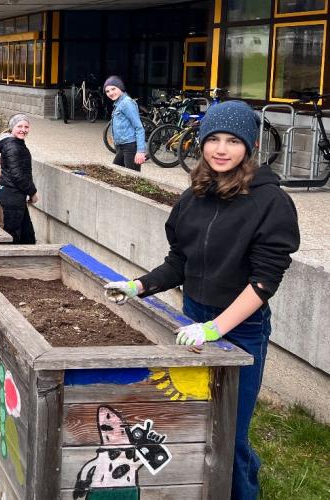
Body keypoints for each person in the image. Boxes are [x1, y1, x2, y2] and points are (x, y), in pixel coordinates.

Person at [103, 100, 300, 500]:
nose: (221, 149)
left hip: (241, 329)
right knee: (199, 421)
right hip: (192, 318)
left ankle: (243, 492)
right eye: (213, 139)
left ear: (251, 146)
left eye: (232, 140)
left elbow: (264, 283)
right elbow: (180, 262)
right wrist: (138, 286)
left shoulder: (271, 203)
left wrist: (216, 329)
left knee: (230, 431)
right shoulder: (195, 195)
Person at [0, 114, 37, 244]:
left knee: (27, 234)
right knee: (13, 233)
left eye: (26, 126)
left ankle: (27, 259)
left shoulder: (16, 143)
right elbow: (17, 175)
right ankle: (7, 262)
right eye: (19, 126)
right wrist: (32, 192)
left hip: (15, 194)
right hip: (12, 194)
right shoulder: (13, 146)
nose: (23, 129)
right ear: (12, 128)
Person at [104, 76, 147, 172]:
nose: (111, 93)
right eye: (107, 91)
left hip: (130, 146)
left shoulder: (126, 103)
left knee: (132, 179)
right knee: (117, 173)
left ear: (120, 87)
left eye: (113, 89)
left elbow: (139, 128)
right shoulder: (118, 103)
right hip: (122, 146)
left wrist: (140, 151)